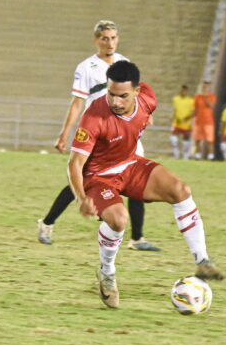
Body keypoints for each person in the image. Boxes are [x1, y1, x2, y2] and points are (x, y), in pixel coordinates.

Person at [68, 61, 224, 309]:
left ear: (137, 92)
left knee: (180, 191)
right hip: (98, 177)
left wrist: (144, 119)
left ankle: (203, 260)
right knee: (119, 220)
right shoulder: (94, 116)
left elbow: (143, 113)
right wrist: (81, 197)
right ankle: (107, 272)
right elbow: (74, 164)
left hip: (130, 165)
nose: (116, 102)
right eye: (111, 94)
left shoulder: (148, 98)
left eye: (123, 96)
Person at [37, 20, 160, 252]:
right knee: (82, 180)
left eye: (113, 38)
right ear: (96, 40)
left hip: (125, 131)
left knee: (136, 178)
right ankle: (47, 223)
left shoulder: (125, 64)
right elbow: (77, 103)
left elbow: (137, 94)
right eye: (105, 38)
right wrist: (64, 134)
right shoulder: (86, 67)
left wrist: (146, 114)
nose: (110, 42)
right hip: (98, 135)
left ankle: (138, 238)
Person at [193, 81, 217, 160]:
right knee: (198, 139)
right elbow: (195, 109)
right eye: (204, 87)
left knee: (210, 140)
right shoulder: (197, 97)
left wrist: (206, 97)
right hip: (199, 121)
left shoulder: (212, 96)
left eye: (206, 87)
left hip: (209, 122)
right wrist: (191, 117)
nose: (205, 88)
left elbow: (212, 106)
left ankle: (210, 156)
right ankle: (197, 155)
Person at [170, 84, 195, 160]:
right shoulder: (175, 99)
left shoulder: (191, 101)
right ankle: (176, 154)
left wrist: (187, 118)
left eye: (185, 90)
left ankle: (185, 156)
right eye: (182, 90)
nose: (183, 92)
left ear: (187, 91)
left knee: (186, 139)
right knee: (173, 139)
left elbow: (193, 112)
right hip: (177, 122)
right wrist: (173, 118)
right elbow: (174, 110)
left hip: (186, 123)